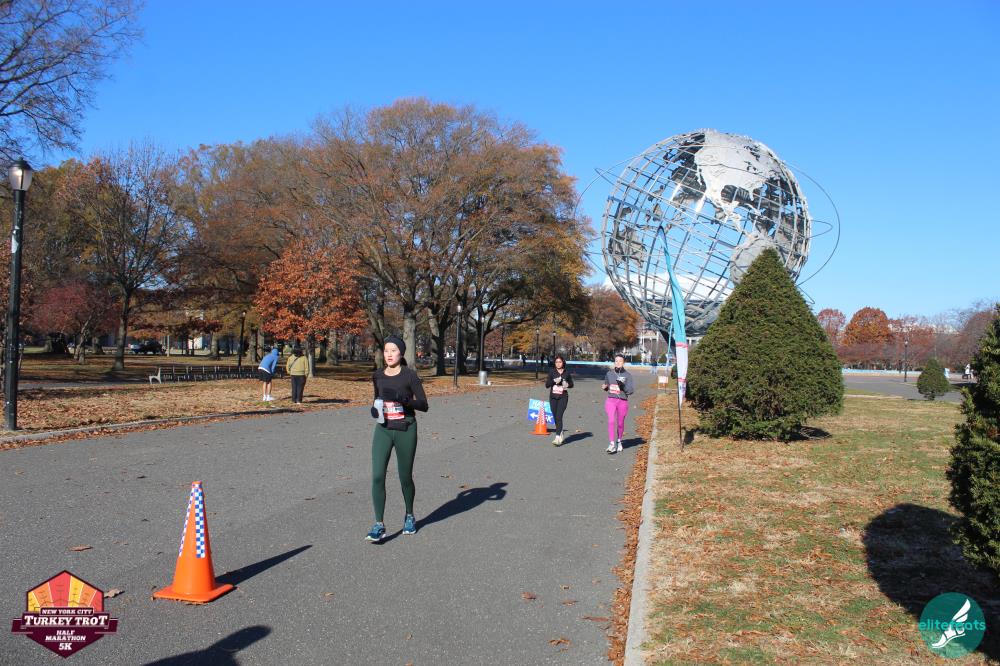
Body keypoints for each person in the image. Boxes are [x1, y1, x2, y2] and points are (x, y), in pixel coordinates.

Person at [366, 335, 429, 542]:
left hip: (405, 429)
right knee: (377, 476)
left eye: (393, 350)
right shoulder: (377, 375)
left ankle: (409, 515)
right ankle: (378, 524)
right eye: (386, 350)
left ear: (401, 353)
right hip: (383, 429)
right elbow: (377, 399)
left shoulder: (410, 376)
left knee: (405, 477)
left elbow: (424, 405)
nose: (389, 354)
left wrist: (404, 400)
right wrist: (375, 410)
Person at [601, 353, 635, 454]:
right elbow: (606, 385)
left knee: (620, 423)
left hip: (622, 401)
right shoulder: (609, 374)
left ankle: (619, 441)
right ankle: (611, 444)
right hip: (611, 400)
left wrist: (622, 386)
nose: (618, 363)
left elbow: (630, 391)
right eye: (616, 361)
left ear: (623, 362)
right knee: (611, 420)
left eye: (620, 361)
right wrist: (605, 387)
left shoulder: (628, 375)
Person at [544, 354, 574, 445]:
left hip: (563, 397)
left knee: (559, 416)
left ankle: (557, 437)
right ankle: (560, 432)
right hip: (553, 397)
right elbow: (547, 385)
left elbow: (571, 384)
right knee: (555, 416)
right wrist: (554, 381)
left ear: (563, 362)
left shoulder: (566, 373)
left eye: (560, 362)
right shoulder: (552, 372)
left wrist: (567, 385)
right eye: (556, 362)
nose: (558, 363)